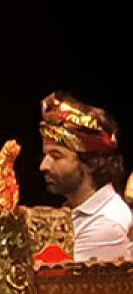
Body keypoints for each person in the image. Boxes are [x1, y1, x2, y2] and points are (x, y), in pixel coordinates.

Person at [39, 92, 131, 262]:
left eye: (56, 156)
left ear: (91, 163)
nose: (43, 166)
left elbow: (63, 286)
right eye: (45, 155)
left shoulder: (106, 223)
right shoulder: (76, 213)